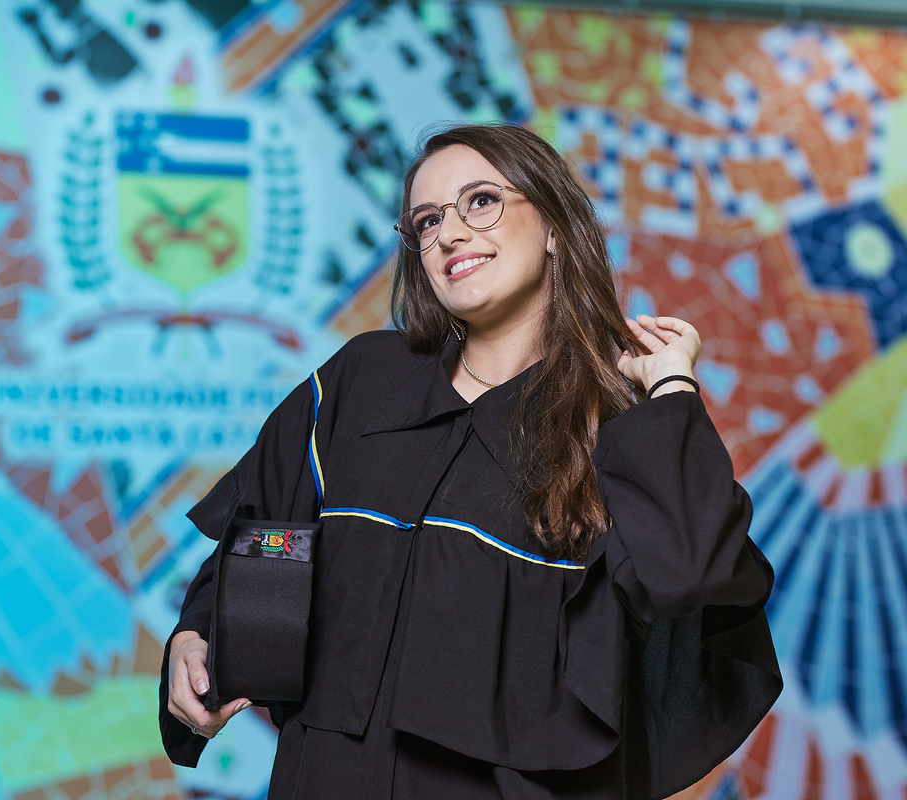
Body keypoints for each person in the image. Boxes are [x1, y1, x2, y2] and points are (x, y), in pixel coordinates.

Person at [158, 123, 782, 799]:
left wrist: (672, 387)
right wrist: (193, 634)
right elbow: (258, 532)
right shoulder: (360, 381)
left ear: (553, 227)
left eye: (480, 201)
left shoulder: (617, 431)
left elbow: (694, 573)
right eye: (427, 221)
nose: (449, 234)